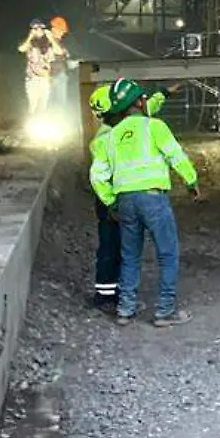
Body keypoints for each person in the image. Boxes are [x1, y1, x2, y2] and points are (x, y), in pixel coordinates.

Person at [90, 78, 202, 328]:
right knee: (168, 253)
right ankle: (165, 312)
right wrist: (191, 181)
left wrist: (111, 202)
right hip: (153, 199)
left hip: (126, 202)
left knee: (130, 256)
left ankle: (125, 310)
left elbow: (97, 176)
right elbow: (176, 156)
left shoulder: (108, 137)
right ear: (140, 102)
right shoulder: (155, 127)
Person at [85, 85, 126, 313]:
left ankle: (111, 291)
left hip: (110, 199)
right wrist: (112, 204)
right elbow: (99, 177)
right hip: (110, 199)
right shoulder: (107, 138)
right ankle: (106, 296)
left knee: (114, 245)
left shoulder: (109, 132)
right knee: (112, 246)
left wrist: (165, 93)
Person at [17, 20, 65, 117]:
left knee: (43, 106)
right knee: (32, 105)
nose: (39, 30)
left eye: (42, 28)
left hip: (45, 79)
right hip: (32, 79)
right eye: (35, 28)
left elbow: (59, 51)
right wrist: (30, 37)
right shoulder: (30, 42)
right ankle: (30, 124)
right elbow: (21, 49)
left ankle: (41, 125)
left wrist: (51, 38)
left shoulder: (48, 43)